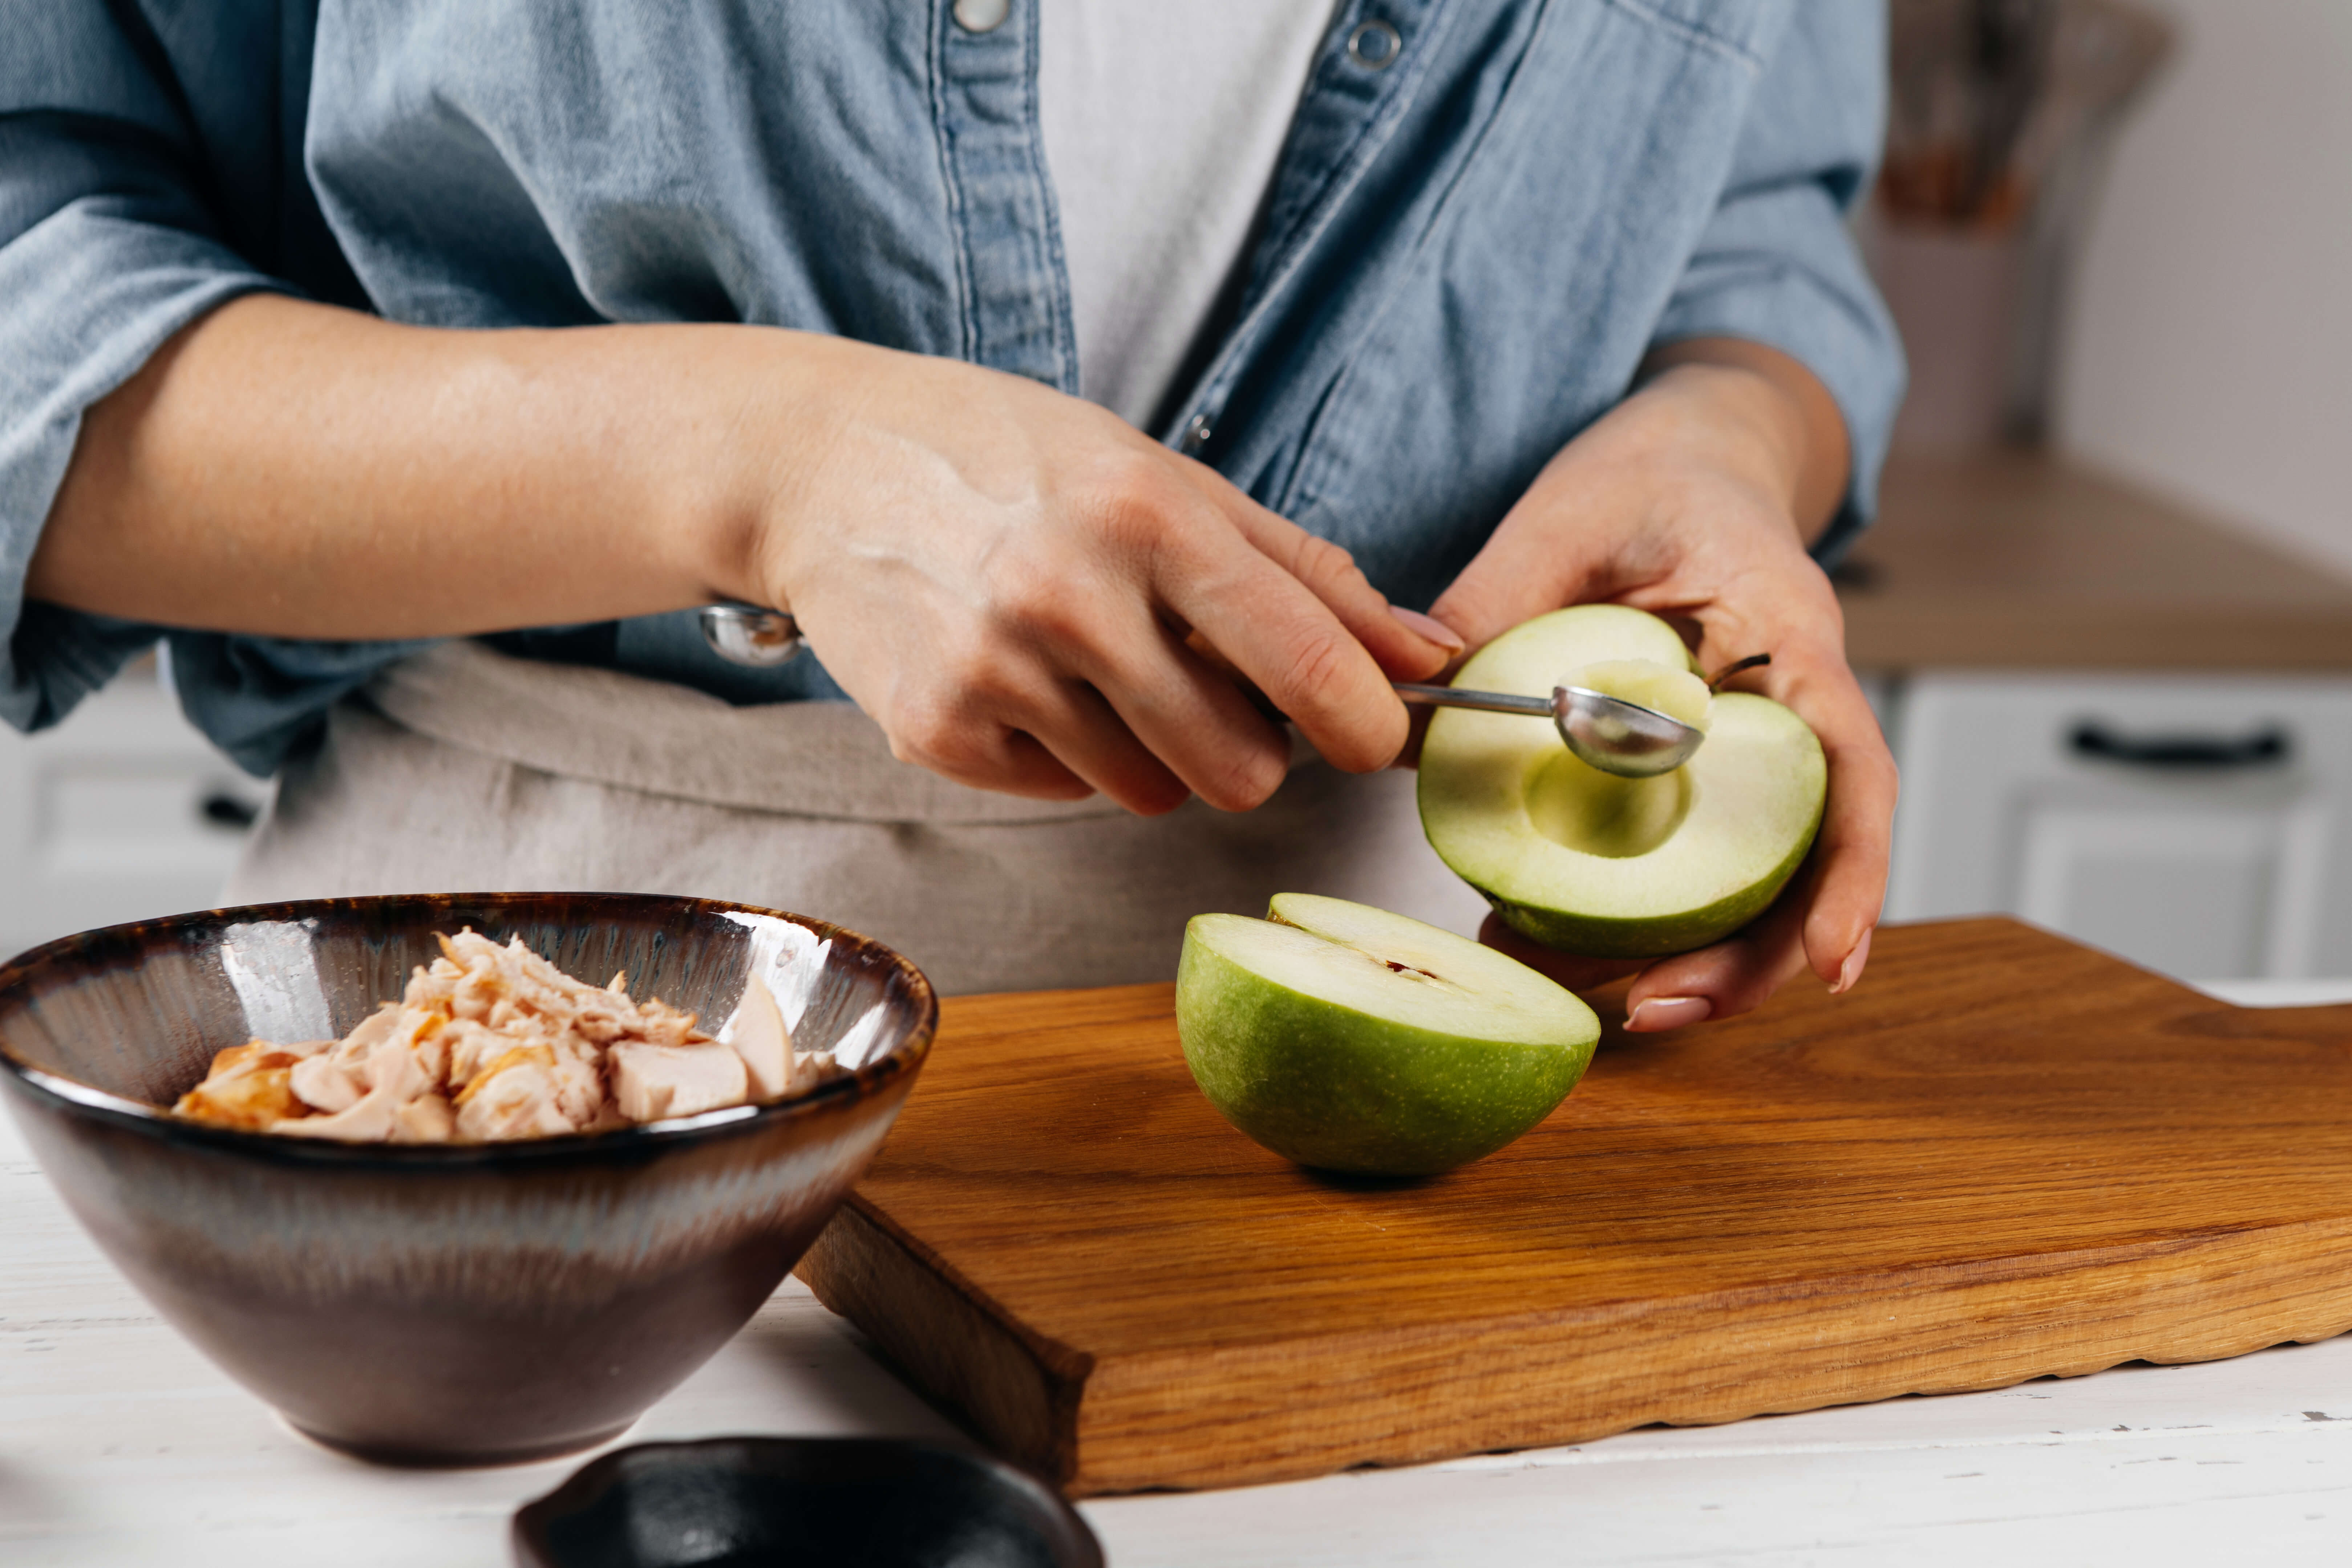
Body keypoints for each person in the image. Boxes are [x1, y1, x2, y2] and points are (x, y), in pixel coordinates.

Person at [1, 1, 1901, 1024]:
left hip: (1433, 1057)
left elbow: (1758, 229)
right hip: (521, 1056)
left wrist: (1731, 444)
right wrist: (758, 458)